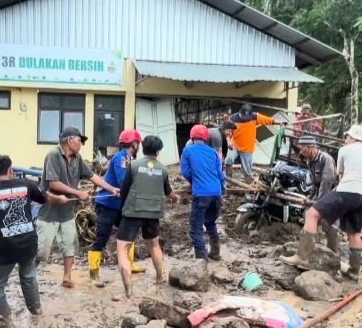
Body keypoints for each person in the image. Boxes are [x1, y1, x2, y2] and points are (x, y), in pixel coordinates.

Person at [0, 155, 69, 328]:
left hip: (6, 247)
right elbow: (43, 198)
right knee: (28, 276)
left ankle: (5, 325)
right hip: (29, 242)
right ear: (10, 171)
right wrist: (59, 199)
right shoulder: (25, 185)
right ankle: (37, 313)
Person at [38, 126, 120, 289]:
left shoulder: (77, 158)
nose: (81, 144)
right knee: (41, 250)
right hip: (49, 210)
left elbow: (92, 176)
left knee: (70, 245)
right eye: (79, 140)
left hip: (67, 211)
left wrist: (111, 189)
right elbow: (54, 183)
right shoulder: (53, 155)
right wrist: (78, 193)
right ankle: (29, 275)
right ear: (69, 140)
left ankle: (67, 277)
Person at [298, 125, 362, 278]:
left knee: (311, 214)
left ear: (353, 138)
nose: (345, 140)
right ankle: (354, 271)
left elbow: (340, 176)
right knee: (354, 233)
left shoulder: (346, 149)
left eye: (347, 137)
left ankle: (302, 257)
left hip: (349, 189)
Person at [115, 135, 179, 299]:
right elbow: (168, 192)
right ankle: (159, 277)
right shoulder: (163, 170)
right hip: (153, 213)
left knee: (123, 250)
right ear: (158, 151)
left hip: (133, 212)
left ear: (142, 148)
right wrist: (175, 197)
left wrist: (120, 198)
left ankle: (129, 290)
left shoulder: (133, 166)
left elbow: (124, 191)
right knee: (154, 246)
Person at [88, 129, 145, 288]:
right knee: (101, 238)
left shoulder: (126, 158)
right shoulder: (122, 158)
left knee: (129, 232)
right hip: (107, 205)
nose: (138, 146)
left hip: (118, 205)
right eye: (138, 143)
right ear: (134, 143)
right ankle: (94, 274)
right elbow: (123, 182)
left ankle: (130, 263)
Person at [181, 125, 226, 261]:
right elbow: (220, 173)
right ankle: (216, 252)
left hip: (201, 194)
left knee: (196, 228)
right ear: (206, 138)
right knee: (210, 222)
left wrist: (193, 181)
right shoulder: (213, 152)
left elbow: (185, 172)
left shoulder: (187, 151)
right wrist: (222, 189)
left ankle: (201, 259)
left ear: (192, 137)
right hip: (216, 193)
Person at [228, 104, 281, 182]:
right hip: (234, 144)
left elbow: (269, 120)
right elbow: (227, 131)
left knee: (247, 170)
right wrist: (228, 141)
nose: (245, 119)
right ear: (240, 113)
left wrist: (280, 122)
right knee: (228, 159)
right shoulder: (232, 118)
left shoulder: (255, 117)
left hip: (247, 147)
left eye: (247, 117)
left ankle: (247, 185)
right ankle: (229, 180)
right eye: (243, 117)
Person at [297, 134, 337, 202]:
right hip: (319, 196)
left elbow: (326, 185)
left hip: (330, 197)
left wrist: (318, 203)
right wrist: (309, 197)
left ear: (310, 147)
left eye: (302, 148)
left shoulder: (325, 159)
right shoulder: (309, 161)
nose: (301, 152)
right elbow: (314, 183)